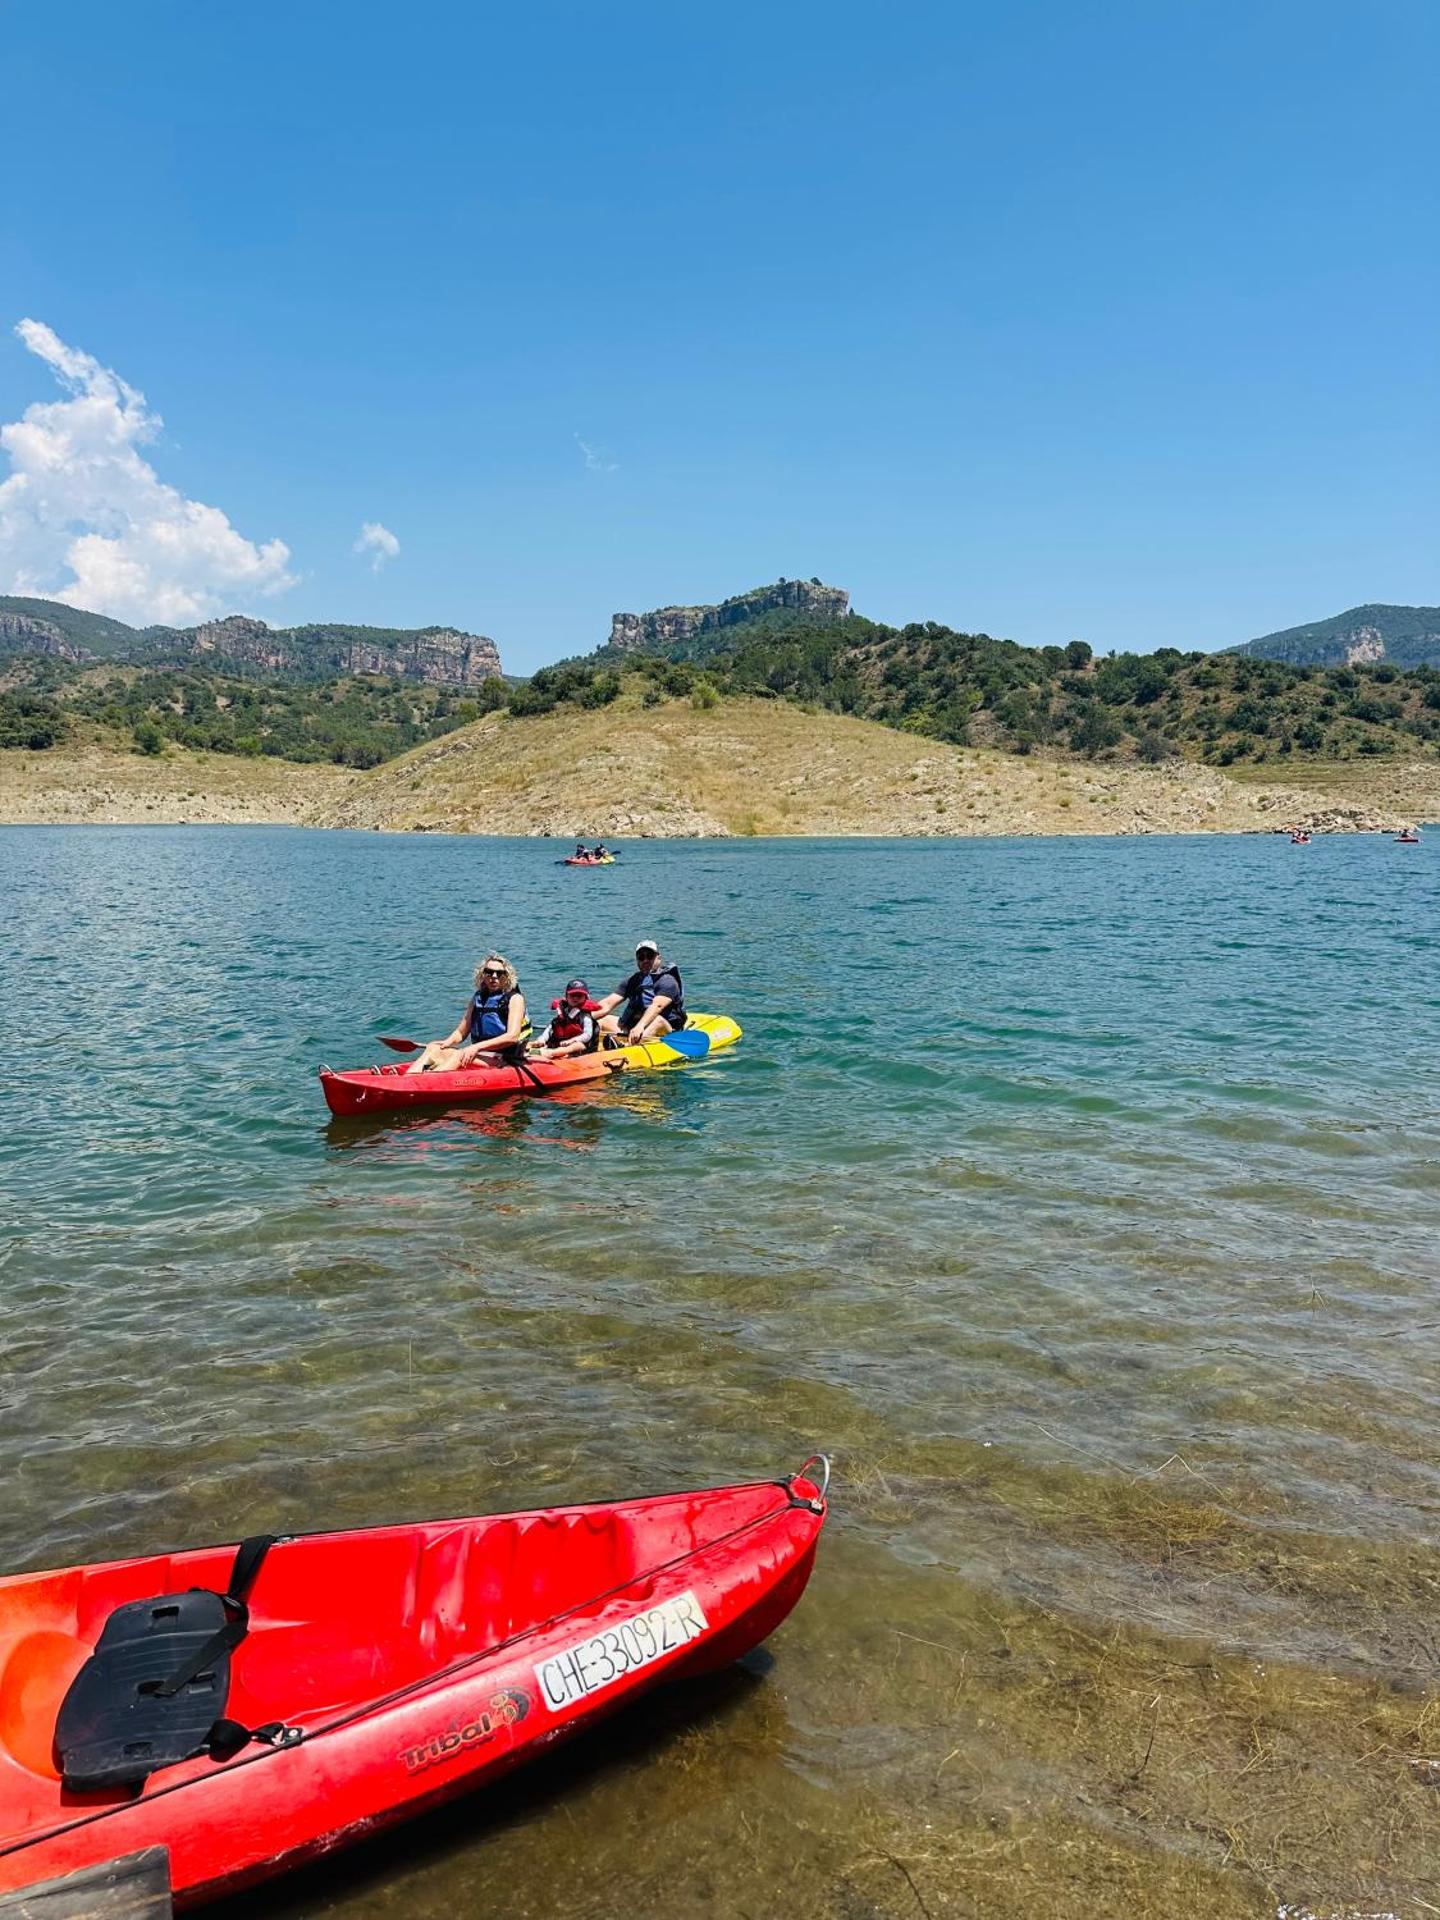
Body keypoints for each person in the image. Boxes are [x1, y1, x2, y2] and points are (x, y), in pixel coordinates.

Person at [409, 953, 531, 1072]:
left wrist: (475, 1047)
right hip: (482, 1054)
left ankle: (431, 1080)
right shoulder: (478, 998)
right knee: (433, 1048)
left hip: (505, 1058)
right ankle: (409, 1077)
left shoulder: (515, 999)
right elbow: (461, 1032)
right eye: (489, 972)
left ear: (506, 976)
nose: (494, 976)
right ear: (482, 975)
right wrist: (447, 1042)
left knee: (459, 1054)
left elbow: (512, 1037)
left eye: (499, 973)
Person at [595, 939, 686, 1045]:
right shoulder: (633, 981)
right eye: (641, 957)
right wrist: (584, 1017)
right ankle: (587, 1046)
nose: (645, 960)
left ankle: (626, 1047)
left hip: (666, 1030)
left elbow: (657, 1006)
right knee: (603, 1020)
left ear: (658, 958)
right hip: (636, 1029)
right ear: (637, 961)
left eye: (650, 956)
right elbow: (607, 1004)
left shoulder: (667, 981)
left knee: (657, 1021)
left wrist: (640, 1026)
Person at [530, 979, 601, 1060]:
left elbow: (587, 1035)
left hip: (578, 1047)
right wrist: (542, 1040)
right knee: (541, 1042)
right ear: (566, 996)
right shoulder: (563, 1012)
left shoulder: (585, 1016)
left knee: (578, 1045)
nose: (575, 998)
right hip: (560, 1044)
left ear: (586, 997)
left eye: (579, 995)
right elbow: (550, 1029)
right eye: (572, 995)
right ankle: (536, 1050)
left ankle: (552, 1053)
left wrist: (572, 1040)